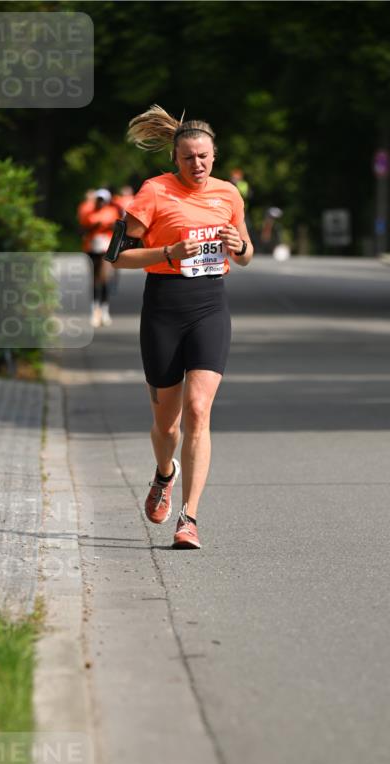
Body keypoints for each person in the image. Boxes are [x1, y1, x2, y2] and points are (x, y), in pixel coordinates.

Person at [110, 105, 253, 549]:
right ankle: (164, 473)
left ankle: (189, 518)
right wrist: (168, 251)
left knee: (198, 410)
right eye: (189, 157)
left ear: (215, 155)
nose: (198, 164)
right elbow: (117, 255)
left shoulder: (229, 194)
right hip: (163, 309)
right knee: (166, 425)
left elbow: (246, 254)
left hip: (210, 305)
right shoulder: (153, 192)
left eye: (205, 157)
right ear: (175, 157)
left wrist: (240, 244)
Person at [78, 189, 123, 326]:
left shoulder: (112, 212)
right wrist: (93, 227)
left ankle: (104, 310)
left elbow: (120, 228)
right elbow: (81, 230)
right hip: (91, 249)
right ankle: (94, 309)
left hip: (105, 249)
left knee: (104, 278)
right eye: (98, 199)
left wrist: (110, 226)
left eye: (103, 200)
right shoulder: (88, 213)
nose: (100, 202)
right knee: (94, 280)